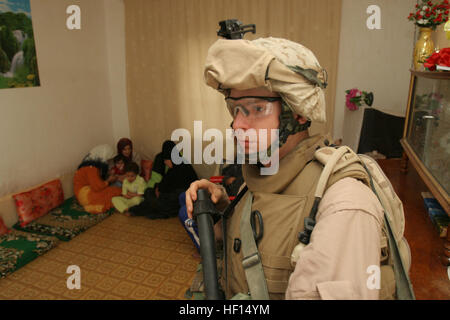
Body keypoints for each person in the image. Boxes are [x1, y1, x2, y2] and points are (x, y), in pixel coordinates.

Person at [185, 37, 391, 300]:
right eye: (236, 109)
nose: (237, 125)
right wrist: (225, 210)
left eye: (257, 109)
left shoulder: (344, 202)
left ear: (299, 113)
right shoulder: (265, 173)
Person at [129, 140, 198, 219]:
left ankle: (138, 210)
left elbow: (186, 187)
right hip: (169, 199)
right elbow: (164, 183)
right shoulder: (172, 169)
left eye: (166, 160)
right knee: (149, 192)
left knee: (163, 200)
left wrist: (160, 190)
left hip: (181, 199)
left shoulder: (184, 167)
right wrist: (157, 188)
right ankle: (146, 210)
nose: (165, 162)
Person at [74, 144, 122, 214]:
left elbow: (97, 182)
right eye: (107, 160)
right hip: (86, 195)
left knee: (114, 191)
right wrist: (109, 180)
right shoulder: (91, 168)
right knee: (115, 192)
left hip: (88, 192)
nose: (108, 162)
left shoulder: (93, 166)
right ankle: (93, 206)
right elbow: (97, 187)